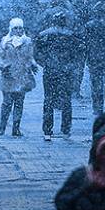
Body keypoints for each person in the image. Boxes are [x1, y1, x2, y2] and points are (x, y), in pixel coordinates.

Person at [35, 11, 81, 141]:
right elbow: (77, 54)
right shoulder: (71, 35)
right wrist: (71, 65)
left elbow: (37, 52)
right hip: (65, 72)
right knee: (66, 100)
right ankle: (65, 129)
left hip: (51, 70)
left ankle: (47, 129)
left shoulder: (45, 34)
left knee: (48, 100)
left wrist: (44, 63)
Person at [0, 18, 36, 137]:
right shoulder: (5, 42)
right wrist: (3, 66)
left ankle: (16, 128)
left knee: (19, 103)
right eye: (15, 28)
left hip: (22, 76)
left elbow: (30, 57)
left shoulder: (27, 42)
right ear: (11, 29)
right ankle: (2, 126)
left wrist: (32, 64)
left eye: (20, 28)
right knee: (7, 102)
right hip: (8, 76)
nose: (18, 30)